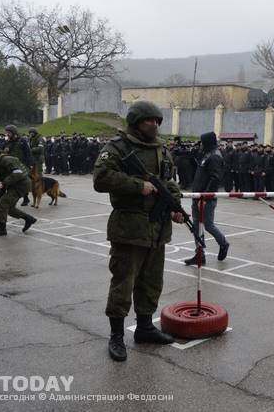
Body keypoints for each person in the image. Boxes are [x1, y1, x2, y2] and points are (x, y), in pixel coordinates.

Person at [93, 101, 184, 362]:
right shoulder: (118, 148)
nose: (154, 125)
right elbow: (100, 179)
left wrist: (174, 207)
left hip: (157, 229)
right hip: (129, 228)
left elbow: (169, 182)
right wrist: (137, 186)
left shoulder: (162, 150)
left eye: (157, 120)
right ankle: (116, 336)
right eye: (148, 121)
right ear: (135, 123)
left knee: (151, 282)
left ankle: (144, 327)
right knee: (123, 282)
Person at [184, 132, 230, 266]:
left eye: (203, 142)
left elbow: (215, 178)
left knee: (208, 225)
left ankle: (223, 243)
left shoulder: (215, 156)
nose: (201, 144)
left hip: (206, 198)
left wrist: (204, 198)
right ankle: (200, 255)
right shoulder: (207, 153)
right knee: (197, 227)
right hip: (197, 196)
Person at [0, 144, 37, 237]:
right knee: (9, 208)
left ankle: (1, 229)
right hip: (14, 184)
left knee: (3, 204)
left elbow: (18, 173)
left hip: (21, 184)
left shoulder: (6, 160)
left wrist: (4, 183)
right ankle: (29, 219)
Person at [3, 124, 33, 206]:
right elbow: (4, 153)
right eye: (6, 132)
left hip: (22, 165)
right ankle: (12, 199)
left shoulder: (22, 141)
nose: (7, 134)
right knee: (11, 183)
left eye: (8, 132)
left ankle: (25, 198)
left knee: (22, 183)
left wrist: (30, 164)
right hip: (11, 166)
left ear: (13, 132)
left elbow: (28, 153)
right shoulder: (8, 142)